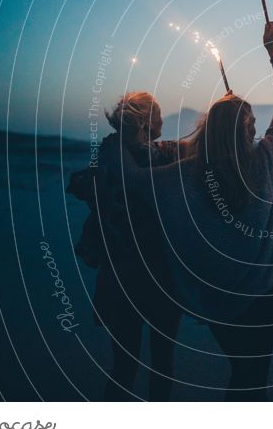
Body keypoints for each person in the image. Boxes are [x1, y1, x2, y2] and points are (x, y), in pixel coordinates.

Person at [107, 22, 273, 401]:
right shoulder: (265, 160)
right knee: (251, 380)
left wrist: (119, 139)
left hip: (218, 310)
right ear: (242, 132)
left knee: (242, 376)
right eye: (252, 126)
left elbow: (128, 175)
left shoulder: (181, 175)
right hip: (262, 299)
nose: (257, 133)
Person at [68, 92, 186, 401]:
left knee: (123, 366)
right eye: (159, 116)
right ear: (146, 122)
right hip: (157, 276)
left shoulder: (107, 158)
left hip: (117, 276)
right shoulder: (156, 159)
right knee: (162, 364)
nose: (163, 121)